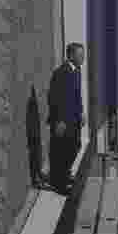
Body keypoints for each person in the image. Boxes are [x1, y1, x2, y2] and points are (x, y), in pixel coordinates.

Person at [47, 42, 85, 195]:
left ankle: (62, 175)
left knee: (75, 146)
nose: (83, 58)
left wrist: (81, 113)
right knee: (61, 152)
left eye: (83, 54)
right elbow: (54, 97)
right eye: (80, 54)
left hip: (74, 119)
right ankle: (59, 184)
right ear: (70, 55)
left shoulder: (77, 70)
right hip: (62, 121)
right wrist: (59, 121)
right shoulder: (61, 72)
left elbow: (77, 95)